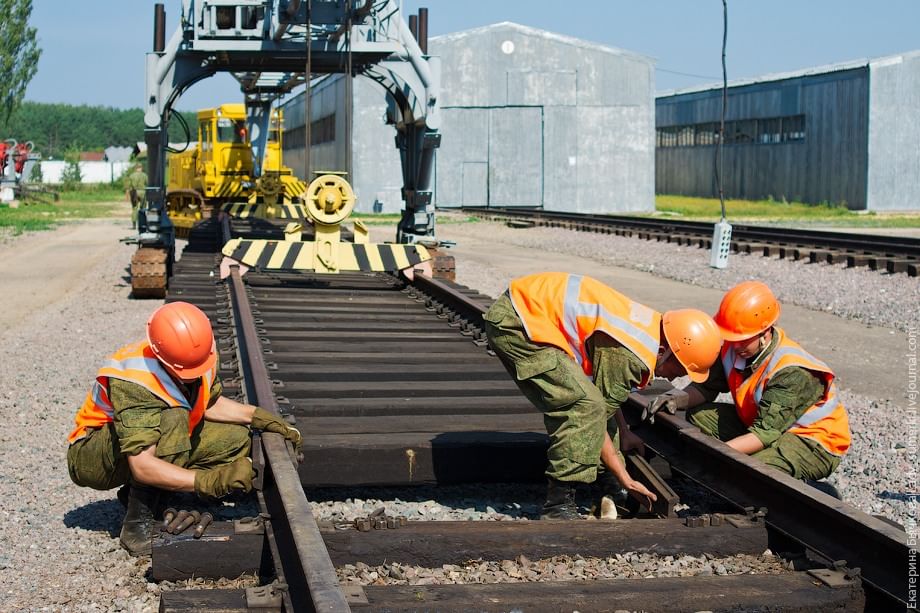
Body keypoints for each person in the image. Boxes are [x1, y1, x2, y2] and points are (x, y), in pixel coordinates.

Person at [67, 301, 302, 555]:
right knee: (173, 417)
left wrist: (257, 416)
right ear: (163, 358)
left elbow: (207, 403)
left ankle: (139, 493)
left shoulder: (198, 354)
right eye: (186, 371)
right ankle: (136, 525)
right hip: (94, 454)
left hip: (148, 440)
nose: (192, 375)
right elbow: (143, 466)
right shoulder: (135, 379)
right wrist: (210, 481)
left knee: (236, 439)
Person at [483, 272, 722, 519]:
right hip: (517, 325)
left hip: (527, 313)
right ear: (665, 351)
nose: (673, 379)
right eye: (679, 369)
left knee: (592, 404)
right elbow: (595, 413)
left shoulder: (648, 332)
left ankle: (606, 490)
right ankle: (558, 506)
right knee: (583, 406)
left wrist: (625, 433)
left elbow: (606, 397)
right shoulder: (631, 355)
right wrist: (624, 477)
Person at [651, 281, 850, 484]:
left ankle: (801, 487)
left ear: (765, 332)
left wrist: (716, 455)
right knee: (696, 416)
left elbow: (764, 433)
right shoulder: (734, 347)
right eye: (731, 336)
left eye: (742, 339)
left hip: (812, 441)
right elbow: (707, 387)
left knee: (751, 472)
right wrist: (675, 399)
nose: (735, 345)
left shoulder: (791, 371)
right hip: (762, 425)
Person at [123, 163, 147, 229]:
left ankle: (134, 225)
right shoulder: (144, 175)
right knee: (143, 209)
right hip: (143, 192)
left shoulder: (132, 176)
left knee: (134, 209)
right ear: (141, 168)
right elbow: (147, 183)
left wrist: (127, 195)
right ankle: (143, 225)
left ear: (135, 168)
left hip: (135, 193)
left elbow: (128, 186)